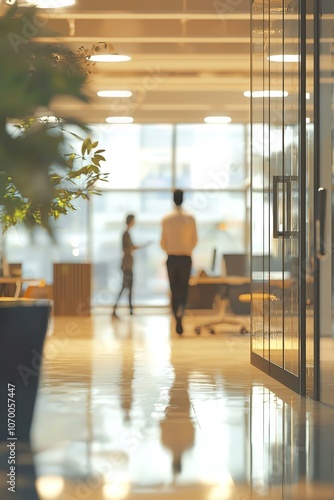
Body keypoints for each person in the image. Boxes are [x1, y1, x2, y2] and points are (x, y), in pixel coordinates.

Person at [160, 189, 198, 334]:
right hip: (186, 258)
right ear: (183, 199)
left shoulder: (166, 219)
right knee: (183, 288)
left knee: (174, 289)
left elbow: (163, 242)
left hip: (172, 258)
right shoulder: (190, 218)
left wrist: (170, 248)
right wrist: (187, 249)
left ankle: (177, 319)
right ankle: (181, 314)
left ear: (173, 200)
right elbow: (195, 240)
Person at [112, 214, 143, 318]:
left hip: (128, 265)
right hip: (126, 266)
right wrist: (134, 248)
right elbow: (126, 249)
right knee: (125, 287)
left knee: (128, 287)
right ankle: (116, 309)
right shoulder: (125, 234)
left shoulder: (127, 233)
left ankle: (129, 310)